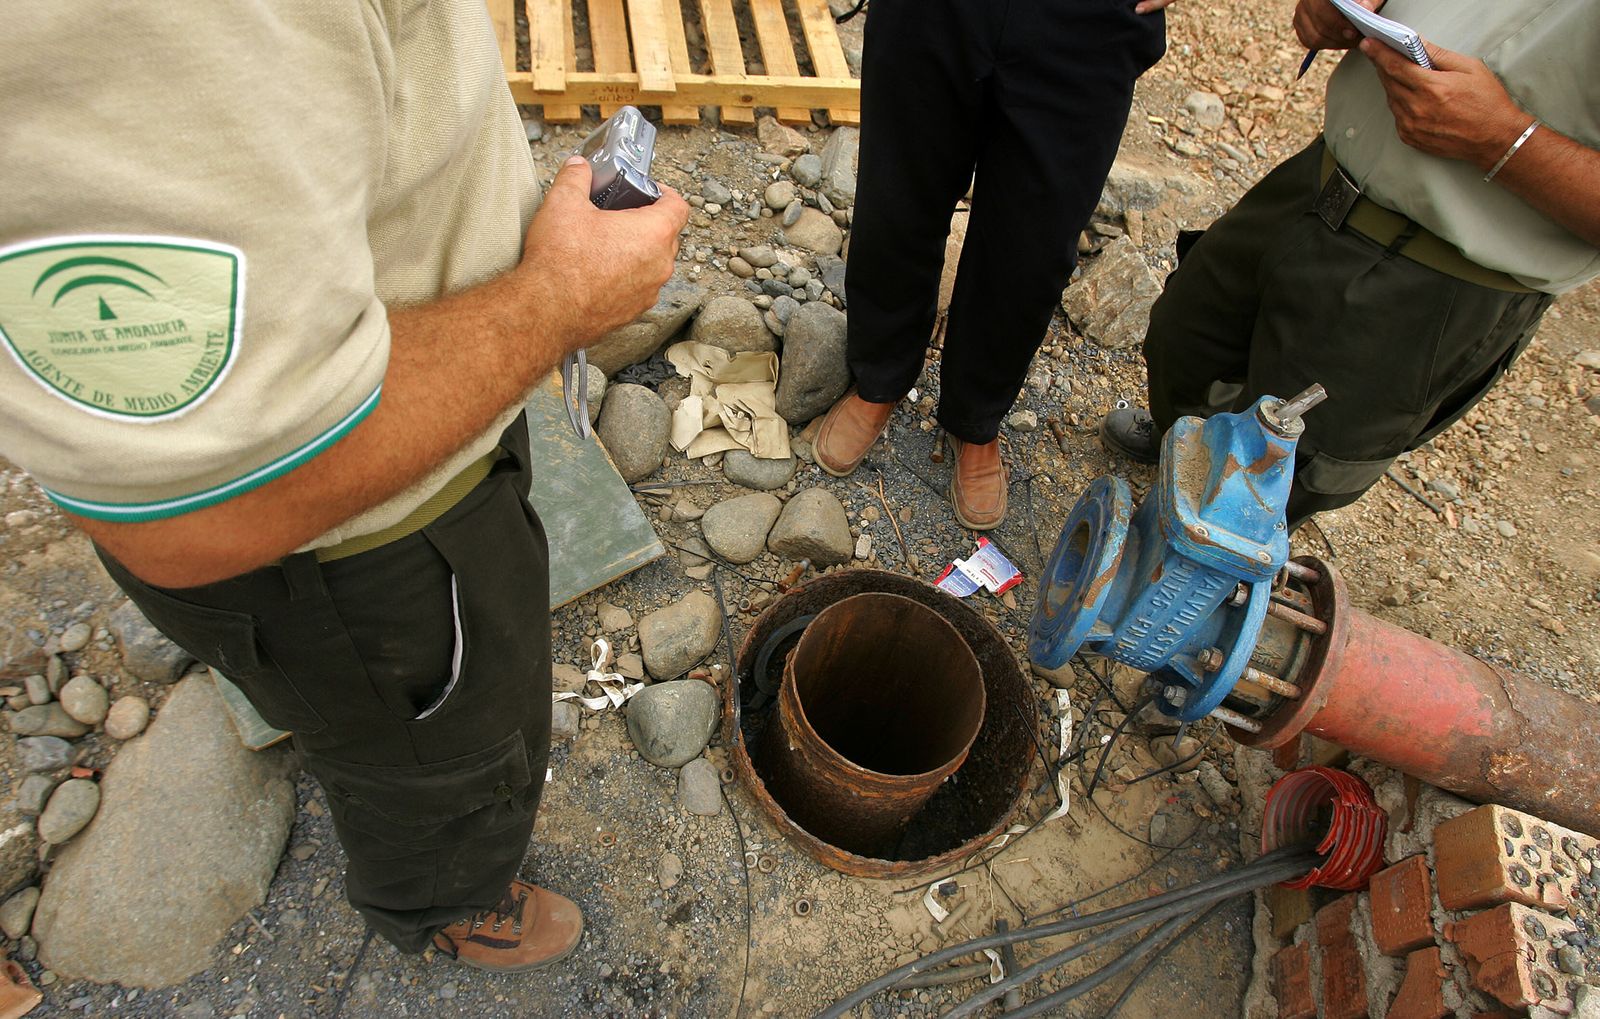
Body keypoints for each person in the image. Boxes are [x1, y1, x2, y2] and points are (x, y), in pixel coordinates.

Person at [0, 0, 687, 972]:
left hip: (408, 471)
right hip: (363, 553)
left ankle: (340, 720)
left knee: (387, 713)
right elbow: (194, 508)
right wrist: (556, 300)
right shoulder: (141, 28)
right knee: (442, 758)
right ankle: (442, 901)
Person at [1101, 0, 1600, 528]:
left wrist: (1502, 137)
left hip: (1440, 274)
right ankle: (1182, 445)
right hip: (1322, 178)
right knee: (1184, 335)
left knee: (1286, 462)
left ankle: (1200, 549)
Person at [811, 0, 1174, 529]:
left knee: (1032, 244)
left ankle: (975, 416)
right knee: (898, 198)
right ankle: (880, 377)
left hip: (1087, 24)